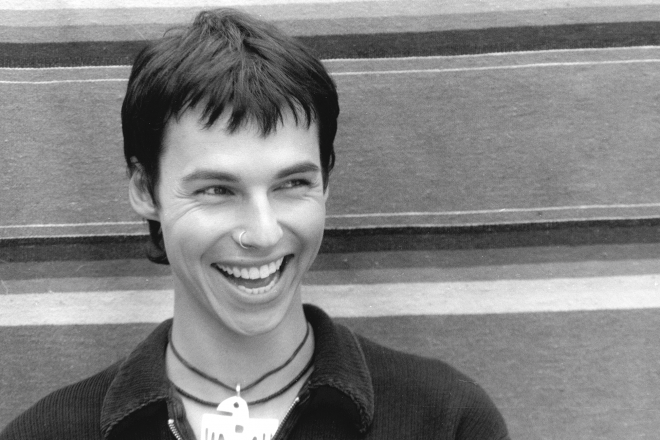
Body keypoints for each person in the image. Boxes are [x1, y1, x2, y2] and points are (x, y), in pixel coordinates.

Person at [1, 8, 509, 440]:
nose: (263, 234)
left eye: (292, 184)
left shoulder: (448, 421)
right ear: (144, 189)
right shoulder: (44, 433)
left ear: (326, 184)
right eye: (217, 190)